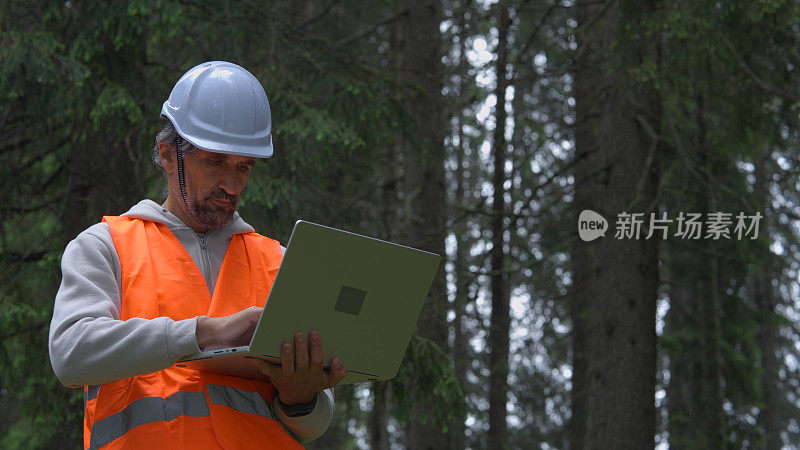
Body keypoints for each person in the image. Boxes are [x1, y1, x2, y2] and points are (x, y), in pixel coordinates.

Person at [48, 61, 347, 449]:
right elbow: (71, 354)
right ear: (168, 154)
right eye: (215, 161)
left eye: (244, 167)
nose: (231, 184)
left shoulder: (281, 262)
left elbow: (316, 424)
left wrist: (300, 397)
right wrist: (203, 333)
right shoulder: (106, 245)